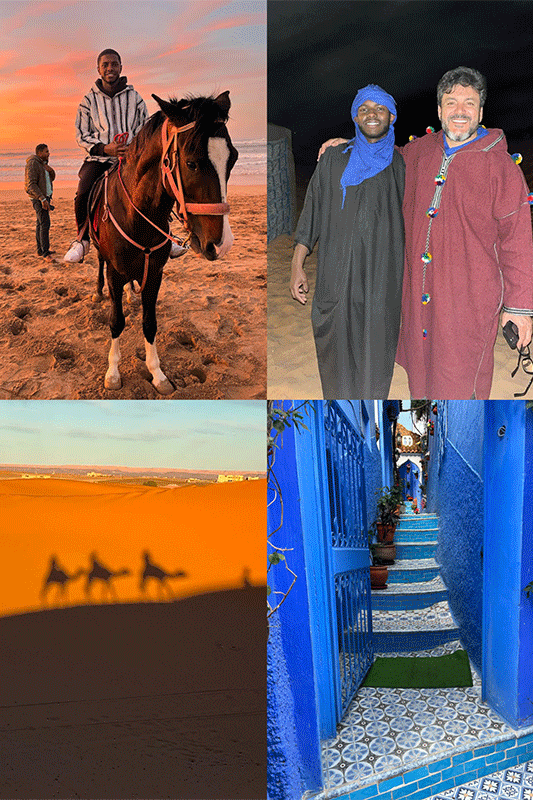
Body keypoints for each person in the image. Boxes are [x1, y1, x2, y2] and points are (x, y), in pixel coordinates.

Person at [320, 67, 533, 399]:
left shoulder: (501, 167)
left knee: (460, 378)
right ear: (439, 110)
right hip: (417, 291)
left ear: (481, 111)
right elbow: (384, 164)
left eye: (469, 103)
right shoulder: (419, 152)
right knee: (420, 373)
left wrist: (519, 309)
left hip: (469, 300)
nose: (459, 111)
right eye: (451, 103)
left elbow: (517, 239)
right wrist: (350, 146)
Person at [291, 85, 405, 398]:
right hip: (334, 279)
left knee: (375, 363)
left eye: (380, 109)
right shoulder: (332, 160)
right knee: (335, 361)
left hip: (380, 282)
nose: (372, 114)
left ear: (391, 116)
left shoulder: (403, 166)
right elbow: (311, 212)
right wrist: (296, 264)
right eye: (365, 108)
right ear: (355, 115)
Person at [64, 49, 185, 263]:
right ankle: (82, 240)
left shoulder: (135, 98)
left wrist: (132, 150)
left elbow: (144, 129)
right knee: (83, 191)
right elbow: (82, 134)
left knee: (158, 188)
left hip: (132, 159)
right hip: (99, 159)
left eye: (114, 64)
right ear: (98, 69)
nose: (110, 68)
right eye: (105, 65)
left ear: (121, 67)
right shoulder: (88, 100)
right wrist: (105, 149)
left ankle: (167, 237)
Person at [24, 143, 56, 262]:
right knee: (45, 224)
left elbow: (50, 179)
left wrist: (50, 170)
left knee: (40, 223)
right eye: (46, 152)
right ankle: (46, 253)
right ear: (40, 153)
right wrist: (42, 198)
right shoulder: (33, 164)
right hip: (38, 198)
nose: (49, 154)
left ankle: (40, 249)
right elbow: (30, 184)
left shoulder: (43, 164)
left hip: (45, 197)